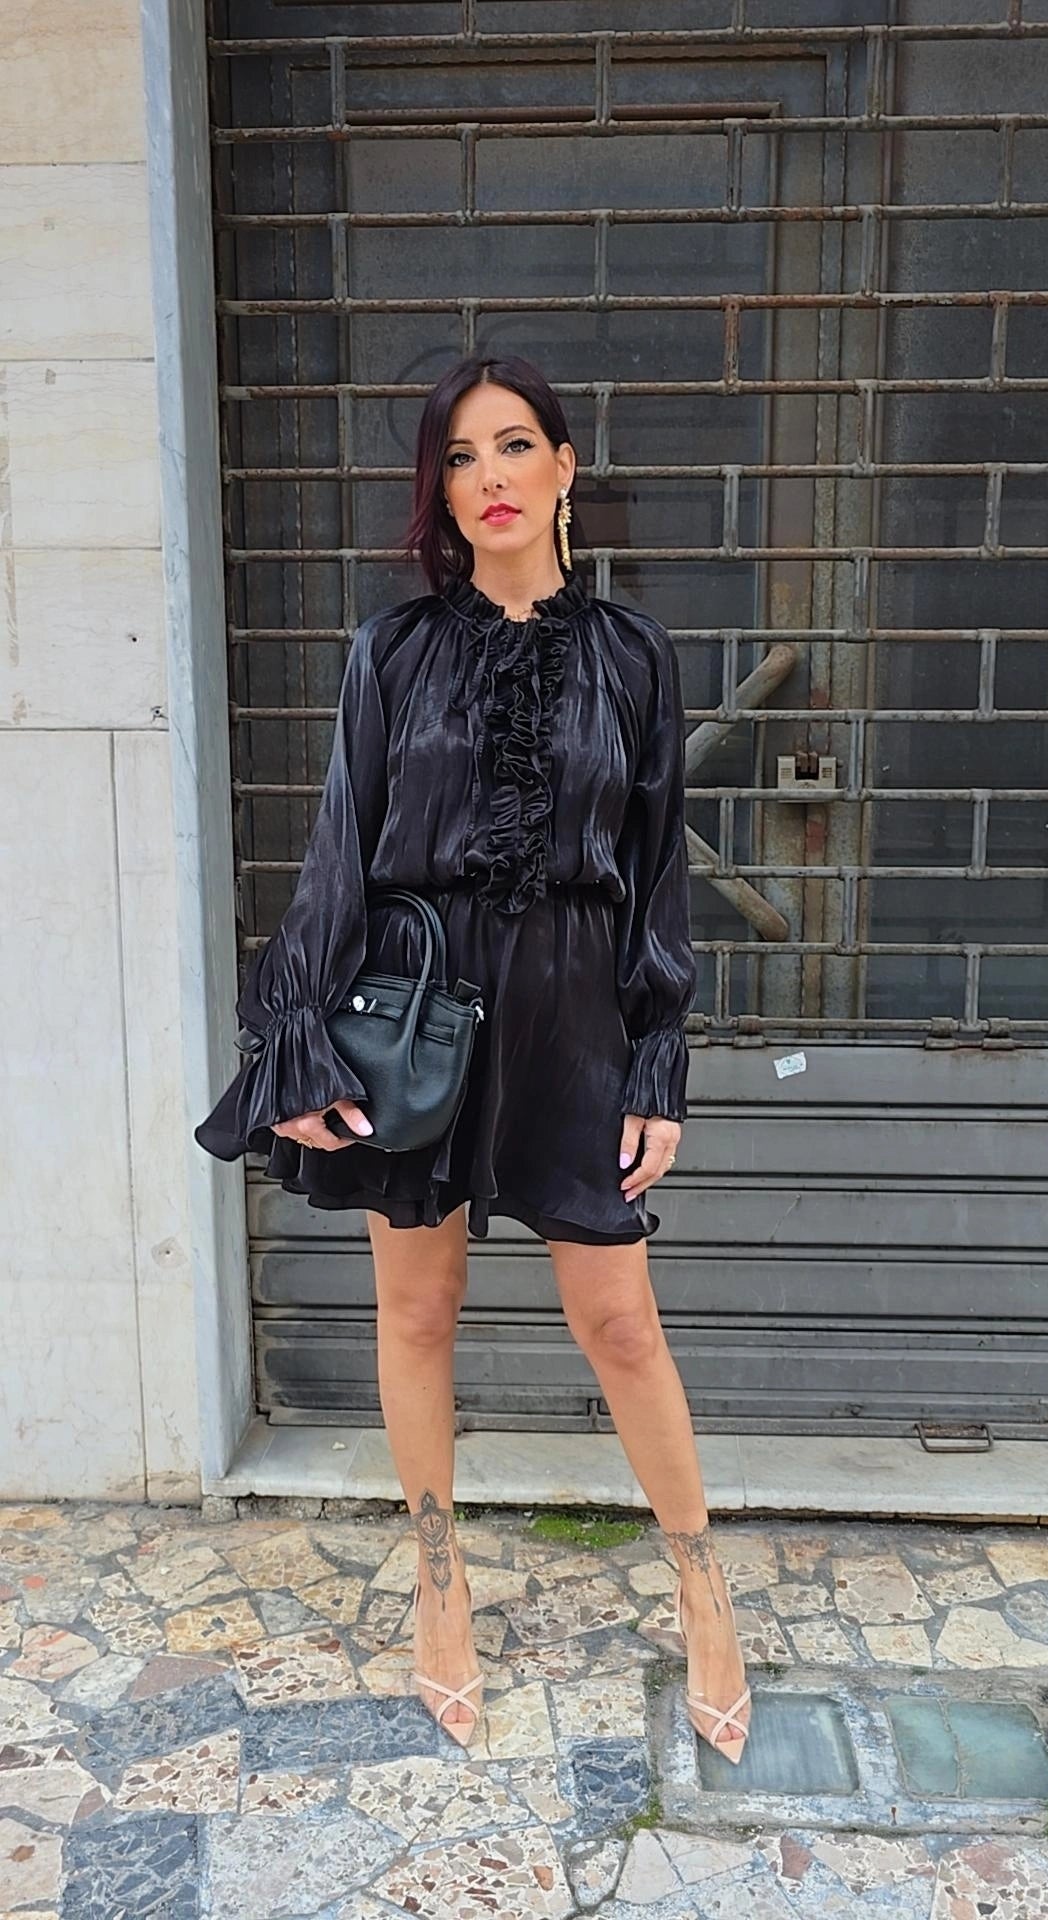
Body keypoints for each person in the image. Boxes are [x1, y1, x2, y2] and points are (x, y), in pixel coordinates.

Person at [195, 353, 751, 1761]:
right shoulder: (392, 650)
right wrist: (299, 1038)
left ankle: (704, 1589)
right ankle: (438, 1584)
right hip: (418, 1000)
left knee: (620, 1322)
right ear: (439, 490)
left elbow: (656, 874)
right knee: (419, 1311)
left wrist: (658, 1057)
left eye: (513, 446)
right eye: (459, 456)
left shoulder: (635, 655)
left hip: (575, 1010)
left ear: (566, 467)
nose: (488, 476)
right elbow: (338, 848)